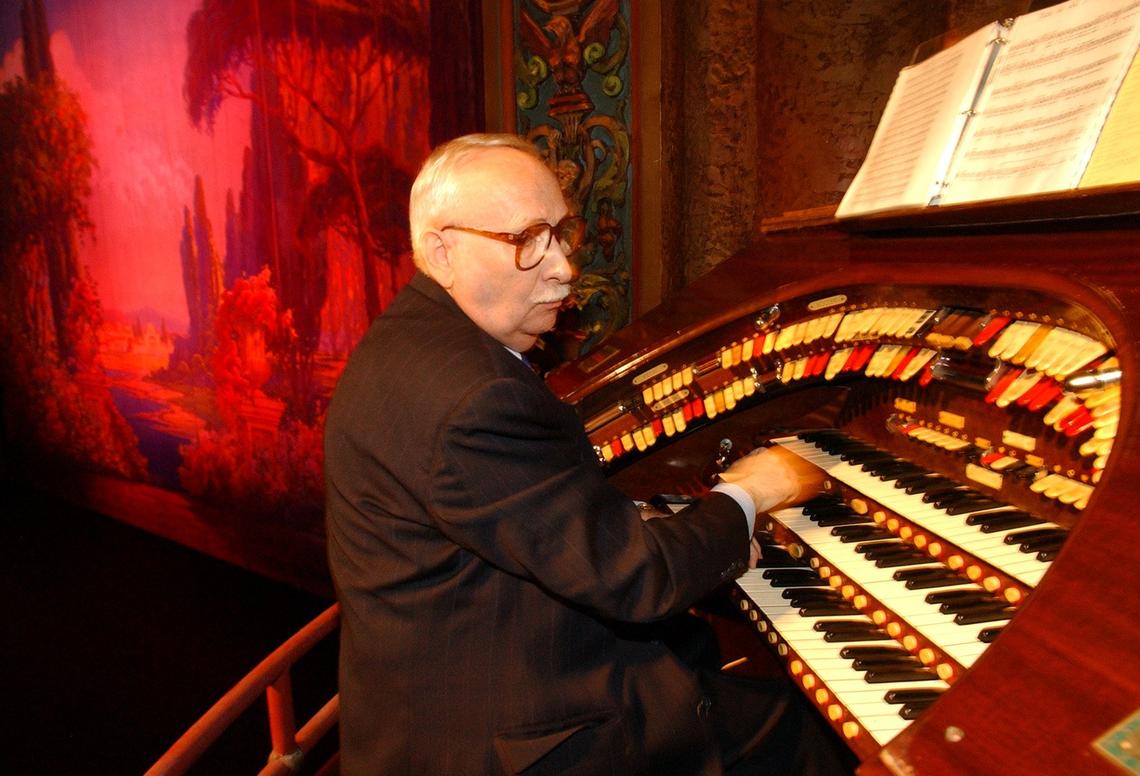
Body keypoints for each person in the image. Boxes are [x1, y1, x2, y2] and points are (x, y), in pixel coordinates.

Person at [324, 133, 847, 774]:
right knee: (813, 735)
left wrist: (647, 521)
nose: (564, 268)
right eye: (527, 240)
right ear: (442, 250)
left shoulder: (412, 340)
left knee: (711, 655)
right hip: (502, 740)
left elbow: (523, 510)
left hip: (442, 681)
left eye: (561, 234)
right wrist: (752, 491)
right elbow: (639, 579)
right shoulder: (475, 397)